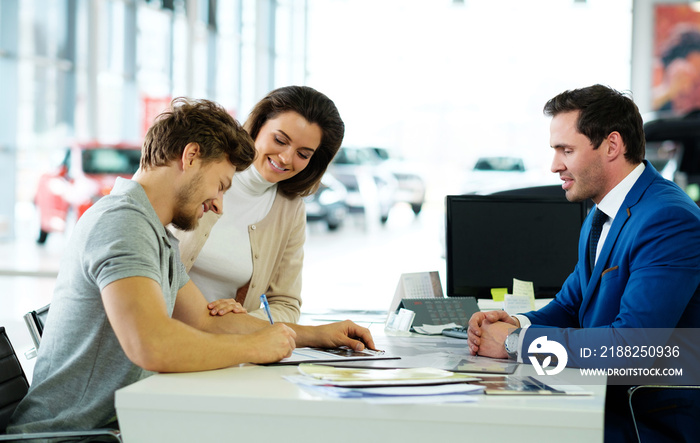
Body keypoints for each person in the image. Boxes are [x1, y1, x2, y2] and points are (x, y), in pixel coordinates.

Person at [7, 97, 375, 434]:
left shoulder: (157, 234)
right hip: (72, 435)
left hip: (120, 424)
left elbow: (202, 320)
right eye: (220, 185)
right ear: (191, 156)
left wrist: (312, 335)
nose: (218, 205)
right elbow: (153, 346)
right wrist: (256, 347)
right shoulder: (123, 223)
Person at [466, 84, 700, 441]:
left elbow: (632, 348)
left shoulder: (667, 219)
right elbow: (571, 304)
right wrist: (516, 321)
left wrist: (515, 342)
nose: (554, 165)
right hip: (602, 396)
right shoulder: (601, 212)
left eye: (566, 150)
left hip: (644, 419)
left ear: (612, 146)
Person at [173, 85, 344, 323]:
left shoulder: (290, 210)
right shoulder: (199, 164)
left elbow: (285, 304)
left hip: (221, 349)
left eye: (303, 154)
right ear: (258, 126)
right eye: (280, 140)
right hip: (160, 336)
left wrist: (241, 320)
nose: (286, 158)